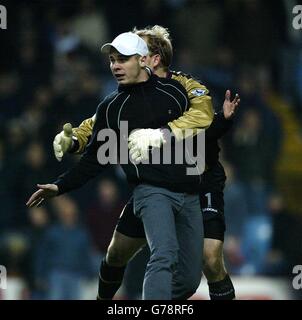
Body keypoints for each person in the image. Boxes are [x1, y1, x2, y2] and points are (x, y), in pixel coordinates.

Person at [52, 26, 239, 300]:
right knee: (117, 253)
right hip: (155, 183)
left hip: (200, 178)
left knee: (209, 259)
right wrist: (75, 140)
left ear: (152, 59)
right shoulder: (127, 95)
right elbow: (99, 124)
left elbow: (203, 121)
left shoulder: (186, 87)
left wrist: (213, 123)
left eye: (138, 51)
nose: (123, 60)